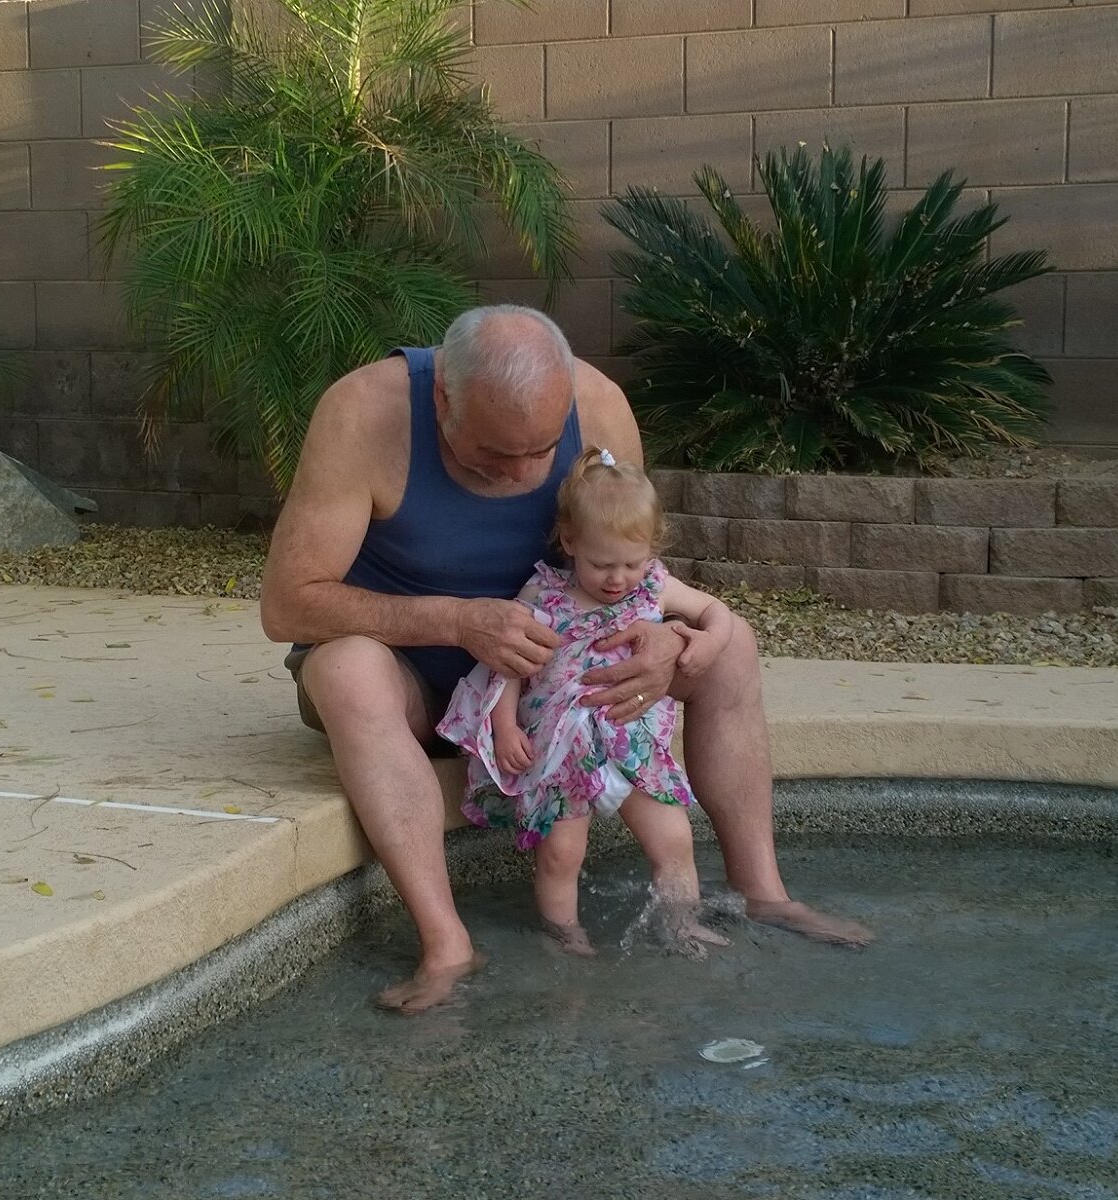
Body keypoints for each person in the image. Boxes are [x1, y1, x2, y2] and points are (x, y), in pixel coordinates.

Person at [259, 304, 872, 1013]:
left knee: (730, 647)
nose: (524, 474)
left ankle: (763, 892)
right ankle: (446, 942)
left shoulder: (600, 404)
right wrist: (455, 620)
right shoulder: (364, 412)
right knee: (346, 671)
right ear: (443, 400)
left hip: (556, 684)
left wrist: (668, 637)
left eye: (543, 451)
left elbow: (632, 558)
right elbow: (288, 605)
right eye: (496, 454)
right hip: (412, 677)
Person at [436, 447, 735, 958]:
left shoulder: (655, 587)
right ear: (570, 541)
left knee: (673, 839)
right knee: (561, 853)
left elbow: (716, 611)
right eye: (601, 564)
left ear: (651, 550)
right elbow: (509, 665)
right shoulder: (543, 594)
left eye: (631, 563)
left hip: (631, 744)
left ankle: (681, 923)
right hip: (561, 752)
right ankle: (566, 936)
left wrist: (707, 642)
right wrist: (505, 727)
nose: (617, 579)